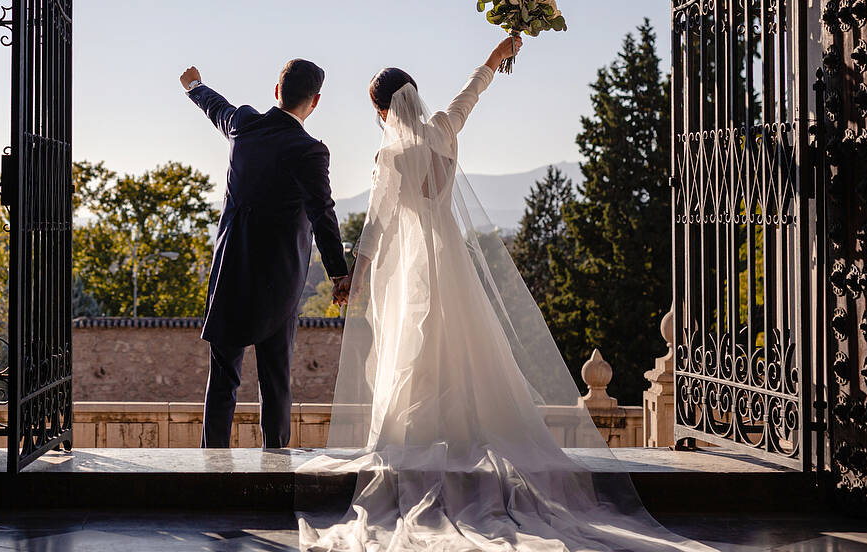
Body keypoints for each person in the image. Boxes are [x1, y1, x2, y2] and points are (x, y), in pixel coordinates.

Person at [299, 34, 716, 551]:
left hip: (413, 272)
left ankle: (414, 438)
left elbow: (376, 232)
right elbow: (472, 92)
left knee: (414, 351)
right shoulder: (443, 129)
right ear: (414, 96)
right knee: (468, 345)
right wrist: (497, 56)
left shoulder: (390, 158)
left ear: (381, 109)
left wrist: (351, 284)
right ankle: (466, 432)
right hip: (452, 259)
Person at [180, 58, 351, 448]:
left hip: (231, 273)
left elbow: (217, 108)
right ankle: (274, 468)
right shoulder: (309, 151)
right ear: (315, 101)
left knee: (222, 379)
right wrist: (339, 275)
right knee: (276, 382)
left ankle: (212, 469)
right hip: (279, 281)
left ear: (276, 91)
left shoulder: (243, 124)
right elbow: (322, 214)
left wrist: (194, 87)